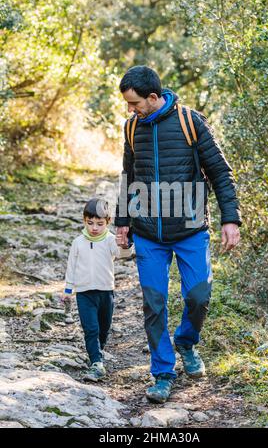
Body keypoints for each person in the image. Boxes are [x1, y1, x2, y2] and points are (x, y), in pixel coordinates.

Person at [115, 66, 242, 403]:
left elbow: (220, 173)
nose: (131, 109)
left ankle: (186, 342)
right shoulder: (131, 128)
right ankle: (162, 373)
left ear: (153, 97)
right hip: (147, 235)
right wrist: (122, 220)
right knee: (154, 304)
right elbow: (128, 176)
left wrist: (231, 220)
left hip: (190, 230)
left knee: (199, 295)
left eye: (134, 103)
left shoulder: (190, 122)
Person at [63, 197, 132, 382]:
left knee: (103, 327)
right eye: (90, 223)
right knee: (90, 328)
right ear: (84, 221)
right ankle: (96, 362)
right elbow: (72, 265)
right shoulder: (78, 242)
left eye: (99, 224)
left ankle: (98, 351)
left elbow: (122, 254)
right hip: (84, 292)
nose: (94, 228)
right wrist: (68, 290)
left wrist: (125, 244)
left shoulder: (110, 240)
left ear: (107, 222)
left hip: (105, 291)